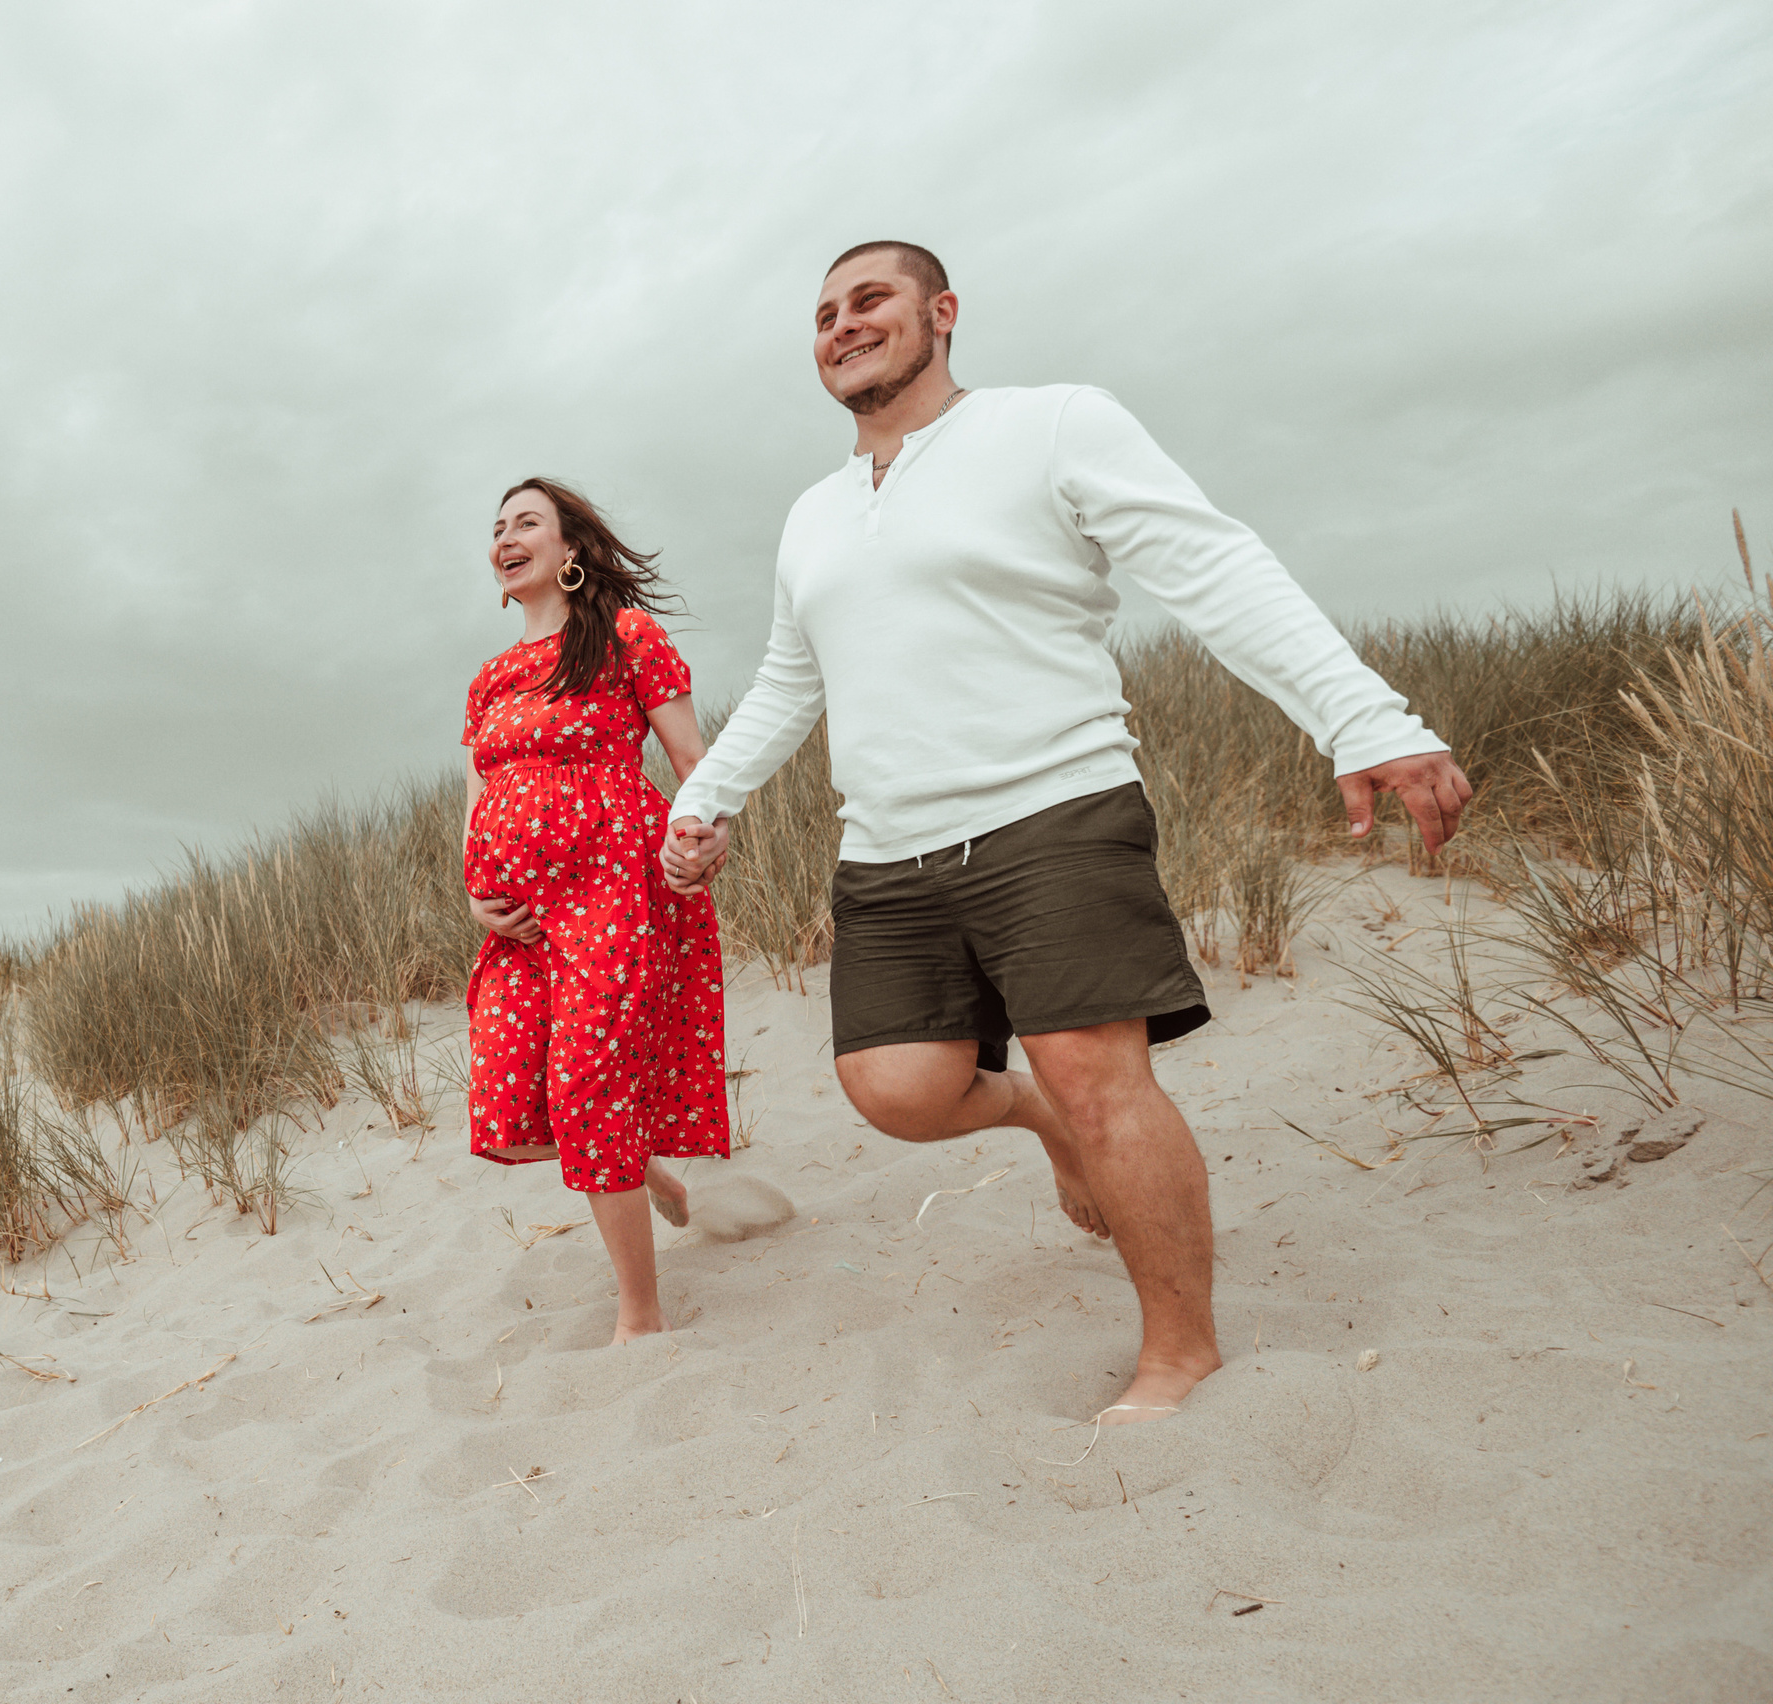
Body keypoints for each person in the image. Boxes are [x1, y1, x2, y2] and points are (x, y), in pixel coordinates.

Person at [660, 242, 1472, 1422]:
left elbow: (1210, 567)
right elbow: (792, 678)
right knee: (894, 1090)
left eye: (870, 300)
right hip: (885, 850)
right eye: (825, 313)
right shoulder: (813, 516)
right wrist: (703, 802)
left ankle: (1178, 1351)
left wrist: (1360, 716)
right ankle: (1035, 1118)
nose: (842, 325)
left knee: (1097, 1080)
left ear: (940, 313)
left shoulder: (1052, 425)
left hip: (1052, 807)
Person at [463, 477, 731, 1344]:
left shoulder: (624, 636)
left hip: (610, 894)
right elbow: (478, 799)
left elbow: (696, 759)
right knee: (513, 1101)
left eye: (527, 523)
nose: (506, 537)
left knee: (585, 1089)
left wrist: (704, 836)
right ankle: (641, 1166)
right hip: (519, 922)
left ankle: (640, 1316)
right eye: (498, 528)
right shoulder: (491, 679)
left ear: (571, 549)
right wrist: (476, 894)